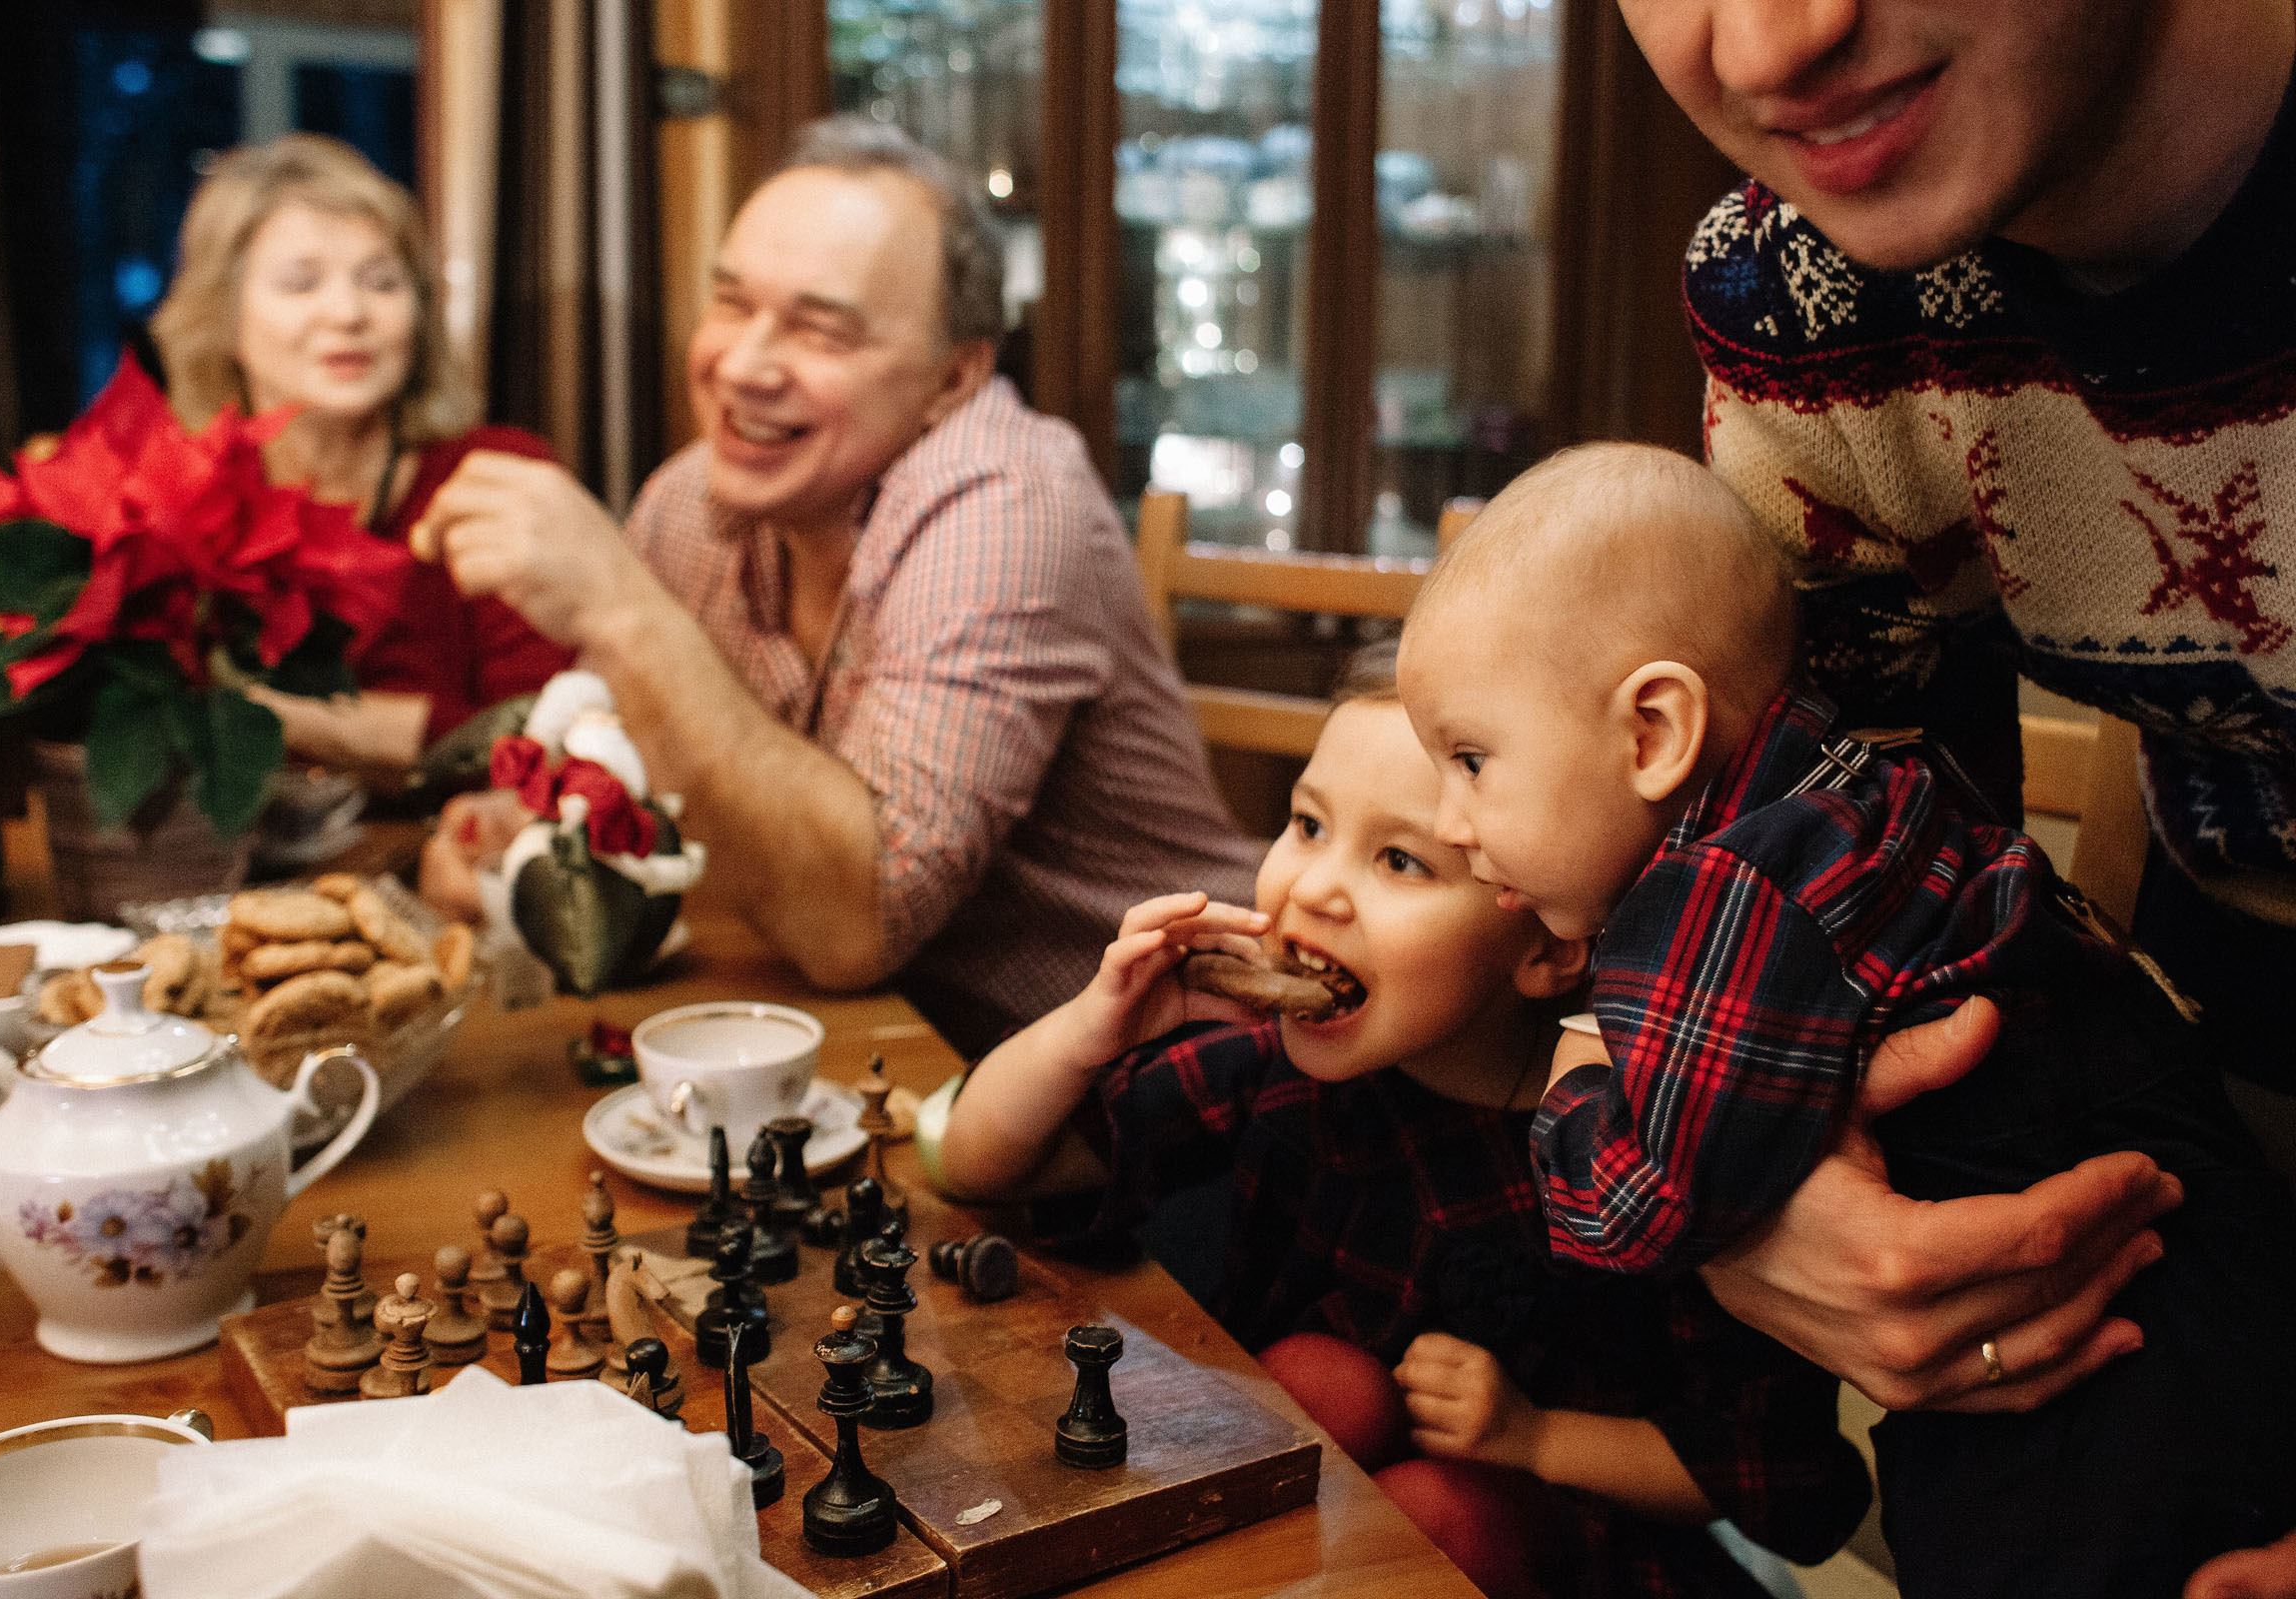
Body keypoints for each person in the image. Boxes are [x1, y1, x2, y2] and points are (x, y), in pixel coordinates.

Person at [1606, 5, 2296, 1587]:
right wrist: (1753, 1205)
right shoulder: (1804, 291)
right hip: (2205, 1070)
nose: (1766, 47)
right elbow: (1795, 854)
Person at [1398, 444, 2296, 1596]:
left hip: (2093, 1364)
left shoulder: (1726, 893)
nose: (1450, 818)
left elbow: (1633, 1210)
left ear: (1653, 732)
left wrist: (1579, 1074)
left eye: (1471, 759)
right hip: (2221, 1269)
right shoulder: (1859, 788)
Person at [940, 641, 1869, 1599]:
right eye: (1307, 824)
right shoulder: (1276, 1068)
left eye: (1399, 860)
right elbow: (981, 1164)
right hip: (1320, 1523)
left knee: (1440, 1505)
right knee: (1320, 1379)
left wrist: (1536, 1438)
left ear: (1551, 948)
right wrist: (1087, 1031)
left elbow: (1779, 1478)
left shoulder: (1643, 1159)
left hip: (1581, 1546)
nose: (1312, 888)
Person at [409, 119, 1256, 1055]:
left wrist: (622, 608)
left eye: (820, 329)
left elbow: (858, 928)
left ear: (955, 377)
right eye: (731, 302)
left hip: (1169, 1067)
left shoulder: (1008, 505)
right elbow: (651, 782)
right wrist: (525, 830)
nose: (741, 366)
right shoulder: (688, 502)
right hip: (899, 1044)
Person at [148, 133, 572, 773]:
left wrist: (262, 713)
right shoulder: (170, 498)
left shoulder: (499, 478)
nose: (348, 313)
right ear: (222, 318)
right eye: (301, 284)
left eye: (382, 282)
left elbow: (541, 734)